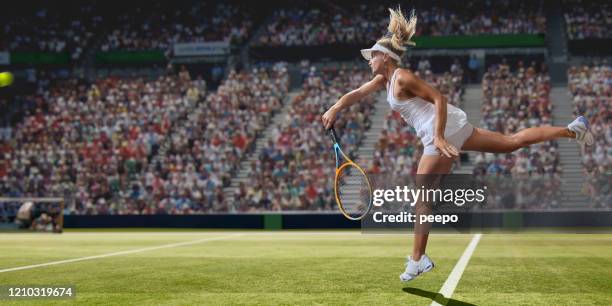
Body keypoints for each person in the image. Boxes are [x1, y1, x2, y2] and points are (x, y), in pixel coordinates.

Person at [321, 7, 594, 282]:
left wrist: (438, 137)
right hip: (454, 126)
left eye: (373, 56)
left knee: (422, 198)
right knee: (511, 143)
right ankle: (572, 130)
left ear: (386, 57)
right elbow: (356, 94)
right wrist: (335, 108)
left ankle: (418, 259)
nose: (369, 60)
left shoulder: (402, 77)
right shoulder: (386, 79)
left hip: (440, 130)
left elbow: (438, 97)